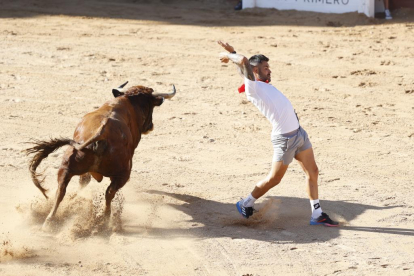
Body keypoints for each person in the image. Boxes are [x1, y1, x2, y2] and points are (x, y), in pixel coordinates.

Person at [217, 41, 339, 227]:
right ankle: (246, 203)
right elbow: (243, 62)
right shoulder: (253, 88)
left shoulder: (260, 84)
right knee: (274, 179)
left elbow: (243, 65)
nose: (269, 70)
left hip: (299, 134)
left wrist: (232, 52)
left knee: (313, 171)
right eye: (265, 68)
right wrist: (229, 55)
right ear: (255, 70)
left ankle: (317, 214)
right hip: (285, 139)